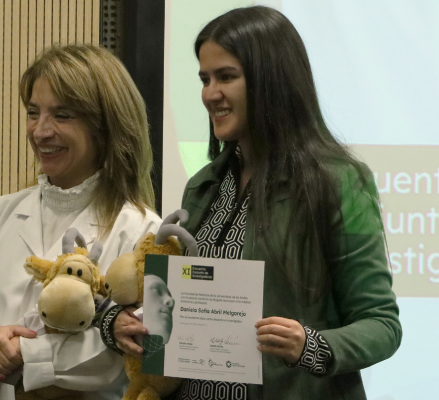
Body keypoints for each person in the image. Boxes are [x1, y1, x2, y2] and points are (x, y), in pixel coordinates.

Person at [104, 6, 401, 400]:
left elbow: (381, 325)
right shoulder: (202, 186)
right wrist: (120, 323)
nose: (210, 94)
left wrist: (310, 345)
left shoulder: (341, 182)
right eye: (205, 79)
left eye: (226, 77)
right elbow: (178, 311)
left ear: (271, 80)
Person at [0, 44, 161, 400]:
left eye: (62, 115)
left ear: (105, 126)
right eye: (33, 113)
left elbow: (135, 345)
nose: (40, 131)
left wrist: (27, 356)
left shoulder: (141, 230)